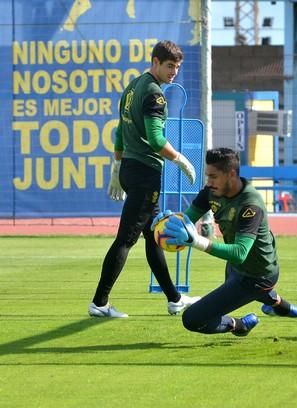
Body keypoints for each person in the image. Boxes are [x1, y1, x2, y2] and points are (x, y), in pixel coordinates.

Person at [89, 40, 200, 318]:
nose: (173, 71)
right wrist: (180, 159)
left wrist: (116, 168)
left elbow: (119, 131)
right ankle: (99, 303)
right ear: (155, 62)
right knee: (125, 240)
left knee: (153, 236)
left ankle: (174, 299)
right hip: (144, 174)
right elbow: (155, 140)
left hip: (129, 167)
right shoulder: (155, 96)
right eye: (169, 66)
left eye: (177, 67)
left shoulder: (133, 86)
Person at [155, 147, 297, 337]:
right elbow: (188, 219)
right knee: (236, 295)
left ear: (231, 174)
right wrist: (168, 223)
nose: (209, 182)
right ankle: (279, 306)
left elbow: (239, 253)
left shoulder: (251, 204)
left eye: (213, 176)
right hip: (235, 269)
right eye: (207, 176)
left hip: (258, 276)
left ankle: (238, 324)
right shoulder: (211, 191)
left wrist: (196, 241)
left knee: (192, 319)